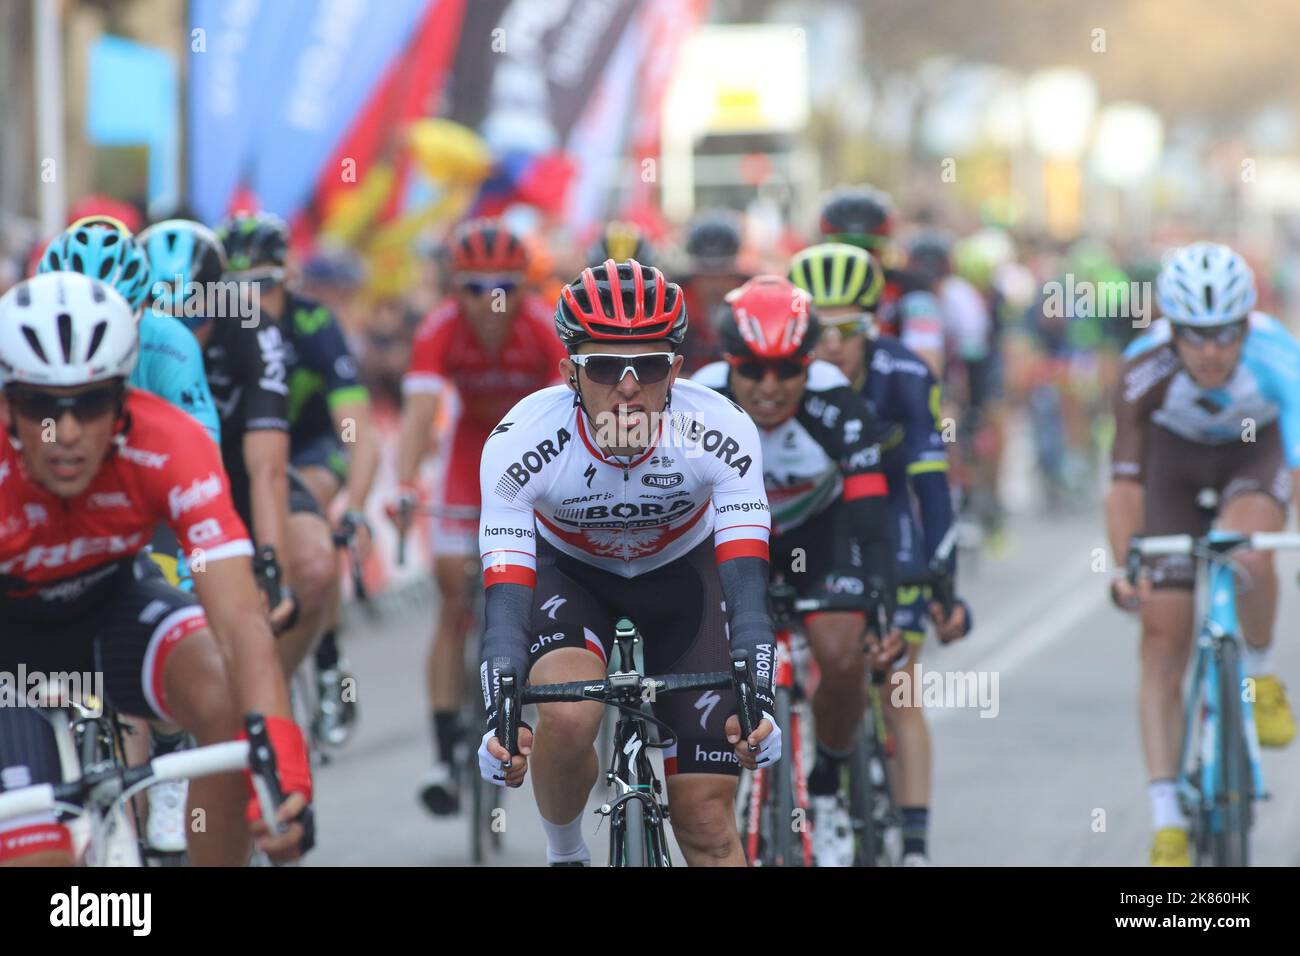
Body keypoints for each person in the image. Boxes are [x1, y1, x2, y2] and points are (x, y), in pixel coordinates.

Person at [0, 272, 312, 866]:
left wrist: (285, 773)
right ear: (9, 403)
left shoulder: (168, 440)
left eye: (90, 403)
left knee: (223, 686)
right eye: (42, 406)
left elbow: (243, 622)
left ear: (124, 398)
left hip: (109, 607)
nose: (65, 434)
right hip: (7, 652)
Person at [476, 259, 780, 866]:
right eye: (606, 365)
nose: (628, 385)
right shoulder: (520, 442)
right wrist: (499, 714)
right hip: (572, 575)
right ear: (570, 373)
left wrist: (759, 696)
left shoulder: (720, 427)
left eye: (649, 365)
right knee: (565, 716)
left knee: (709, 828)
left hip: (682, 579)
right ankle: (566, 853)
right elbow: (506, 598)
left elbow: (746, 582)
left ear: (677, 371)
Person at [691, 275, 898, 866]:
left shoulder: (837, 403)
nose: (771, 387)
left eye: (789, 370)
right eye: (753, 369)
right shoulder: (698, 404)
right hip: (730, 539)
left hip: (819, 536)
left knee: (840, 652)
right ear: (728, 363)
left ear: (811, 364)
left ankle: (828, 785)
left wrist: (879, 602)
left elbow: (869, 511)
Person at [1107, 242, 1298, 867]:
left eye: (1225, 334)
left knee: (1251, 556)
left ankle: (1262, 673)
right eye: (1195, 336)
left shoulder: (1280, 358)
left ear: (1247, 324)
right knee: (1162, 639)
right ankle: (1166, 820)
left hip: (1253, 454)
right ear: (1172, 329)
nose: (1212, 351)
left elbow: (1296, 467)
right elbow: (1125, 486)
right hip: (1173, 467)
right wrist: (1125, 566)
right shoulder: (1142, 367)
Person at [790, 241, 973, 865]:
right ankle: (828, 788)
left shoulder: (904, 374)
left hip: (888, 518)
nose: (834, 343)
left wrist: (942, 575)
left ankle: (916, 847)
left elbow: (931, 484)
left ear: (875, 324)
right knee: (826, 657)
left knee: (899, 688)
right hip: (819, 524)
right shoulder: (783, 379)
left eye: (851, 329)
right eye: (821, 329)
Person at [390, 218, 567, 815]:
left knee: (537, 594)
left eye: (505, 286)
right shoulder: (438, 329)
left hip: (535, 454)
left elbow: (569, 417)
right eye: (473, 287)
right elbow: (418, 415)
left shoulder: (546, 326)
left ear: (525, 287)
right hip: (471, 454)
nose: (490, 300)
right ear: (453, 288)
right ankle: (444, 756)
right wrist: (408, 483)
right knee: (452, 596)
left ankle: (546, 715)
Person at [219, 213, 379, 746]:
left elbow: (358, 433)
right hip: (243, 451)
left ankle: (327, 661)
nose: (253, 300)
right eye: (237, 289)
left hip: (311, 446)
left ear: (287, 278)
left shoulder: (313, 324)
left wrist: (354, 507)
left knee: (308, 523)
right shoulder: (216, 326)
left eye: (264, 285)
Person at [818, 185, 945, 377]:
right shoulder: (807, 286)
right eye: (844, 249)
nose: (858, 260)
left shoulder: (912, 288)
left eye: (870, 251)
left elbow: (927, 364)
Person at [678, 210, 750, 374]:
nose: (714, 284)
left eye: (722, 272)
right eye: (705, 273)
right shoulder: (674, 300)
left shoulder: (751, 295)